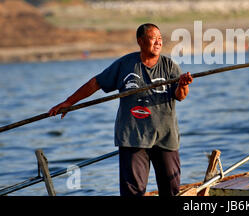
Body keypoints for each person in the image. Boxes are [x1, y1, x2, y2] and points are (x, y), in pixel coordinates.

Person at [48, 23, 193, 196]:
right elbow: (96, 83)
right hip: (132, 137)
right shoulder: (126, 64)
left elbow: (180, 96)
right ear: (140, 41)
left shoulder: (170, 66)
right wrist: (69, 101)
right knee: (133, 192)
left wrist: (183, 85)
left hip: (165, 137)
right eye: (153, 38)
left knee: (171, 191)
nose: (158, 42)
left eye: (160, 38)